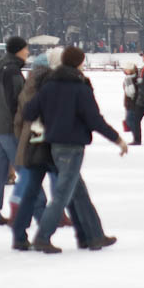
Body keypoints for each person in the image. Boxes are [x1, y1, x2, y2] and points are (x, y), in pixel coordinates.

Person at [24, 46, 127, 253]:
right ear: (79, 63)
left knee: (79, 193)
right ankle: (42, 237)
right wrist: (116, 138)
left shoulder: (49, 85)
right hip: (72, 147)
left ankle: (95, 236)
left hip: (54, 145)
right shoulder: (80, 87)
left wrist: (50, 119)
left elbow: (29, 111)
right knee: (62, 195)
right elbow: (94, 119)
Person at [0, 37, 29, 225]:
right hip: (8, 127)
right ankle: (38, 210)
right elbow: (17, 101)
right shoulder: (12, 71)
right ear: (18, 50)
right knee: (26, 171)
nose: (28, 52)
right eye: (26, 49)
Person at [122, 62, 139, 138]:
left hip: (132, 103)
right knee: (130, 120)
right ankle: (136, 136)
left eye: (126, 69)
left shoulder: (129, 79)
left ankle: (136, 137)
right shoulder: (130, 78)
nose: (125, 70)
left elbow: (131, 92)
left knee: (130, 120)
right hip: (130, 103)